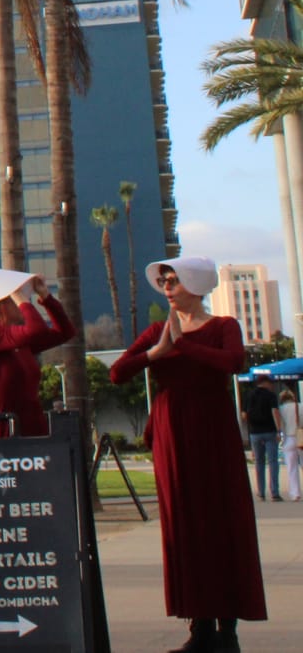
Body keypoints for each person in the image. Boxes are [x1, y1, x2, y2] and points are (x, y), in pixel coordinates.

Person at [109, 255, 266, 652]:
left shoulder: (223, 326)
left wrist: (183, 346)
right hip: (172, 432)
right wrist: (156, 353)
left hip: (212, 430)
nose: (167, 288)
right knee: (184, 523)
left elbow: (233, 361)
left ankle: (226, 631)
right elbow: (118, 372)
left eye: (174, 281)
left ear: (195, 284)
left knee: (221, 520)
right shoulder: (158, 332)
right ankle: (200, 629)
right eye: (164, 281)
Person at [0, 265, 74, 438]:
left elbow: (65, 332)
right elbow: (36, 329)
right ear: (2, 303)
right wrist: (20, 299)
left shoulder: (14, 339)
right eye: (17, 301)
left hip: (32, 421)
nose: (23, 305)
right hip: (4, 425)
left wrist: (46, 296)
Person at [243, 371, 281, 501]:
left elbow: (244, 415)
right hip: (270, 431)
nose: (272, 386)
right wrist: (279, 430)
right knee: (273, 462)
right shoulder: (271, 396)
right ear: (265, 383)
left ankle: (261, 492)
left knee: (259, 462)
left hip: (255, 433)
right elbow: (275, 412)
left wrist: (251, 425)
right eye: (271, 383)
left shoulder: (249, 395)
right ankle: (274, 492)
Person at [279, 387, 301, 503]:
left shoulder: (281, 409)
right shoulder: (300, 406)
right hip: (301, 437)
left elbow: (281, 426)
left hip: (288, 438)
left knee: (292, 469)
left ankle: (295, 494)